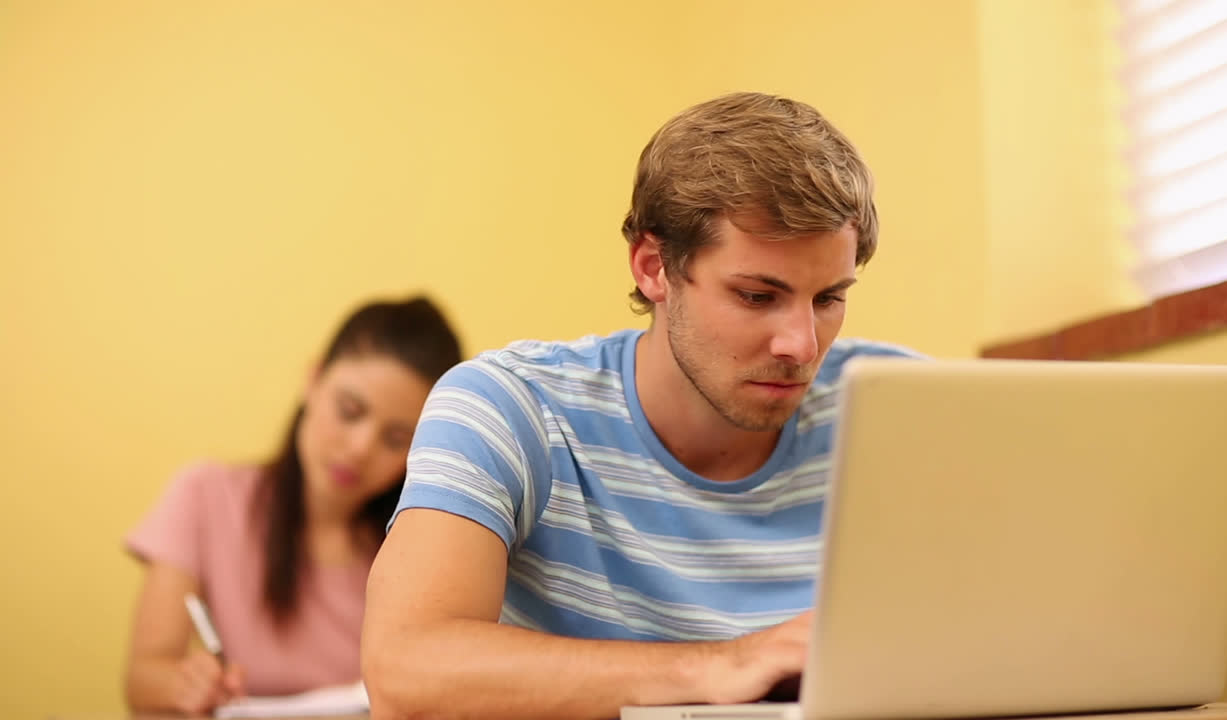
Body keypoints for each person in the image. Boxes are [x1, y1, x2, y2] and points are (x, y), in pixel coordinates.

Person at [362, 92, 921, 720]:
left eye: (828, 299)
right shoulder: (509, 408)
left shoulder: (902, 408)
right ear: (654, 267)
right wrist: (721, 666)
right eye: (758, 296)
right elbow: (405, 673)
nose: (802, 345)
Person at [124, 296, 462, 716]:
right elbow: (143, 679)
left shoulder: (423, 546)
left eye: (396, 439)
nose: (360, 448)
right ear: (314, 380)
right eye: (349, 411)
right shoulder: (205, 495)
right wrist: (187, 684)